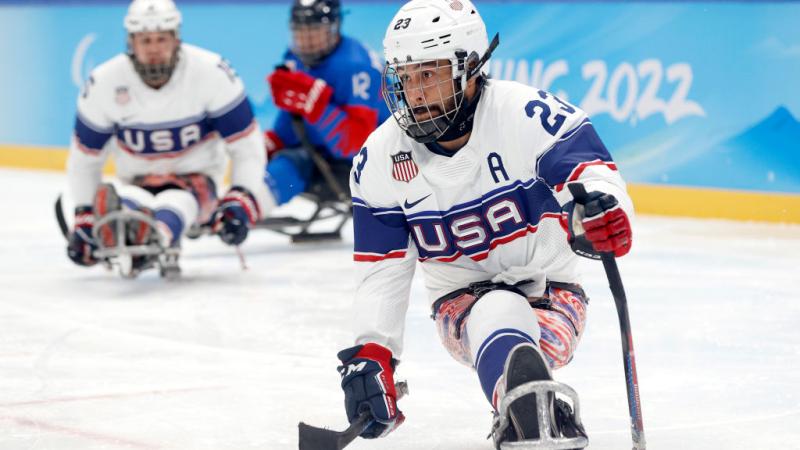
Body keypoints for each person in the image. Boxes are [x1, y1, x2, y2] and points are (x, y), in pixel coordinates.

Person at [335, 0, 634, 448]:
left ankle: (528, 410)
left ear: (470, 67)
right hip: (461, 308)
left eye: (428, 74)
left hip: (556, 297)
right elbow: (381, 270)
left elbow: (594, 178)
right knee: (495, 309)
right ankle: (532, 412)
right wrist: (373, 351)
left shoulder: (527, 115)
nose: (414, 94)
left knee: (506, 313)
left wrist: (601, 214)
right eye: (404, 76)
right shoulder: (379, 158)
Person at [66, 0, 271, 274]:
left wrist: (240, 198)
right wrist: (84, 217)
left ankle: (152, 235)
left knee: (177, 202)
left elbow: (246, 145)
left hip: (197, 184)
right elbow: (85, 159)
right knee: (127, 203)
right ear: (131, 41)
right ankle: (128, 227)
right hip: (137, 181)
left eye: (161, 39)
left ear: (176, 38)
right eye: (145, 40)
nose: (153, 49)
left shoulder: (212, 72)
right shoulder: (103, 82)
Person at [263, 0, 389, 205]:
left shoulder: (357, 67)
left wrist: (318, 107)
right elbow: (293, 114)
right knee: (262, 155)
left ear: (334, 29)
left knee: (290, 164)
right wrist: (272, 142)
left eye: (314, 32)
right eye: (300, 33)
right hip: (323, 150)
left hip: (370, 164)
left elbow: (359, 148)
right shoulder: (295, 57)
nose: (307, 41)